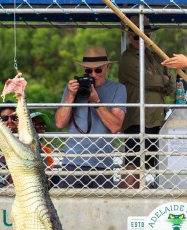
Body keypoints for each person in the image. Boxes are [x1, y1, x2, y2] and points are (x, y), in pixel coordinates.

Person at [54, 46, 126, 188]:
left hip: (102, 163)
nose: (93, 75)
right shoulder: (72, 89)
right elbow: (59, 123)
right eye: (88, 71)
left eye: (98, 70)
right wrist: (70, 96)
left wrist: (97, 102)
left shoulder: (118, 89)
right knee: (67, 207)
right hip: (72, 161)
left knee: (103, 208)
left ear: (107, 68)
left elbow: (115, 126)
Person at [118, 16, 175, 189]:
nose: (142, 40)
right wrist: (163, 79)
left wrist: (164, 80)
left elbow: (170, 85)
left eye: (146, 36)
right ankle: (124, 200)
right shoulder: (127, 59)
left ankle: (143, 201)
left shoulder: (155, 57)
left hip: (156, 119)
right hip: (138, 120)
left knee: (151, 163)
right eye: (137, 36)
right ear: (129, 37)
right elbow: (148, 81)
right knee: (133, 164)